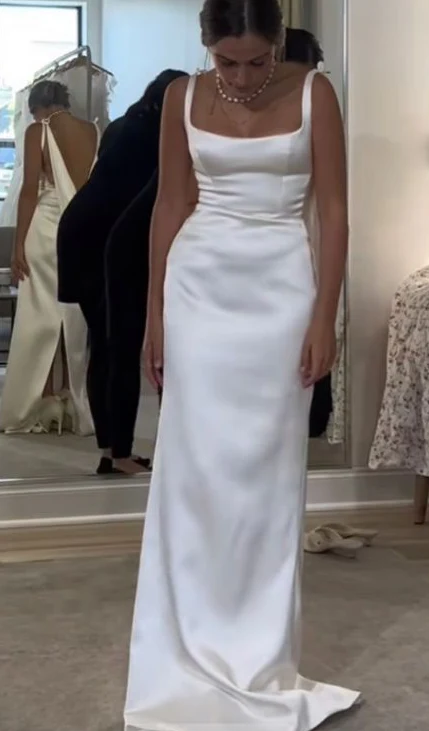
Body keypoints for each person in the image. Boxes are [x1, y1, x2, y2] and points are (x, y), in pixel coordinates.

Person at [124, 0, 360, 730]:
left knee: (266, 476)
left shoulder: (315, 93)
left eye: (258, 61)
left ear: (279, 44)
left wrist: (324, 316)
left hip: (281, 290)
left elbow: (332, 210)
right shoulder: (180, 96)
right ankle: (182, 650)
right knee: (193, 469)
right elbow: (170, 203)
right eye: (227, 62)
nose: (243, 76)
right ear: (207, 48)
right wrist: (155, 316)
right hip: (198, 288)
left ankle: (259, 657)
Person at [57, 69, 188, 475]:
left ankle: (113, 450)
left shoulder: (123, 126)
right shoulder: (161, 136)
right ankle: (123, 453)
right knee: (123, 346)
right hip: (108, 238)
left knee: (106, 345)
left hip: (80, 231)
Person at [0, 81, 98, 435]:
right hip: (81, 233)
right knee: (74, 317)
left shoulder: (38, 131)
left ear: (36, 108)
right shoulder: (92, 131)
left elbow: (29, 191)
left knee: (38, 318)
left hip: (44, 232)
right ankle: (72, 400)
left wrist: (17, 246)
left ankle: (38, 400)